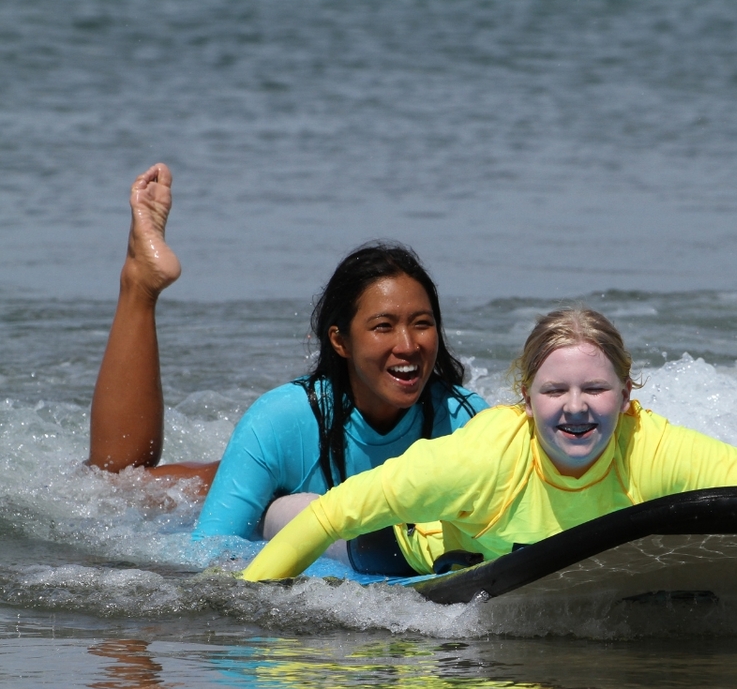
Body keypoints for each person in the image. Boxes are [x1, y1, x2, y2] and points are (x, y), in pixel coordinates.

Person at [242, 308, 737, 582]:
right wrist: (246, 605)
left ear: (628, 392)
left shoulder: (653, 446)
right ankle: (272, 506)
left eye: (597, 390)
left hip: (536, 555)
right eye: (555, 391)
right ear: (527, 398)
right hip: (417, 546)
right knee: (304, 518)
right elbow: (341, 513)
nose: (576, 409)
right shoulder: (482, 455)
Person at [88, 164, 487, 559]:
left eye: (422, 324)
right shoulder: (281, 421)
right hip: (267, 484)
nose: (408, 345)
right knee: (114, 480)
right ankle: (140, 282)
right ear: (340, 341)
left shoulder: (467, 423)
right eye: (383, 326)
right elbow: (207, 555)